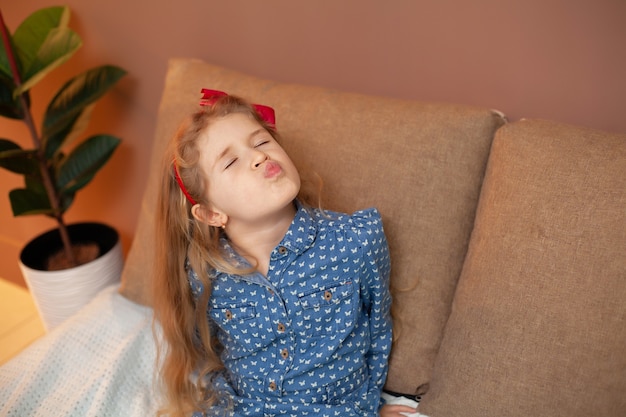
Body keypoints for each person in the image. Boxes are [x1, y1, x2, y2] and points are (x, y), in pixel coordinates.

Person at [153, 89, 417, 417]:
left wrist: (368, 406)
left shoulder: (354, 241)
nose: (259, 156)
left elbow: (378, 329)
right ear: (211, 214)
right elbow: (205, 355)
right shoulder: (207, 274)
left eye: (261, 142)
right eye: (231, 161)